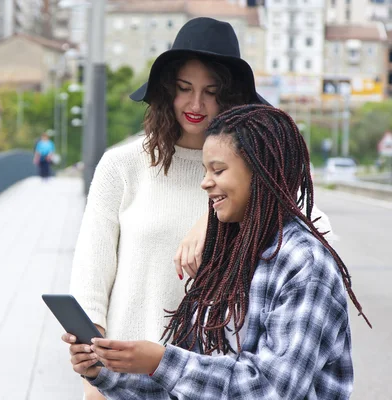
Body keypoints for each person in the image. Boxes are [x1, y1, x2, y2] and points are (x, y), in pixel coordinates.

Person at [69, 18, 332, 399]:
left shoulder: (255, 177)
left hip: (211, 382)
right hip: (123, 380)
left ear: (233, 99)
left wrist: (208, 222)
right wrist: (94, 374)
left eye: (211, 92)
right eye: (184, 89)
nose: (196, 104)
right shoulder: (121, 165)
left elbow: (311, 240)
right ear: (165, 91)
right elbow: (90, 277)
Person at [65, 104, 370, 399]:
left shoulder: (304, 264)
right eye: (205, 170)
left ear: (262, 172)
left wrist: (161, 362)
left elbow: (273, 390)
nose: (205, 183)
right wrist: (103, 373)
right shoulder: (228, 255)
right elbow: (192, 387)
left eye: (218, 170)